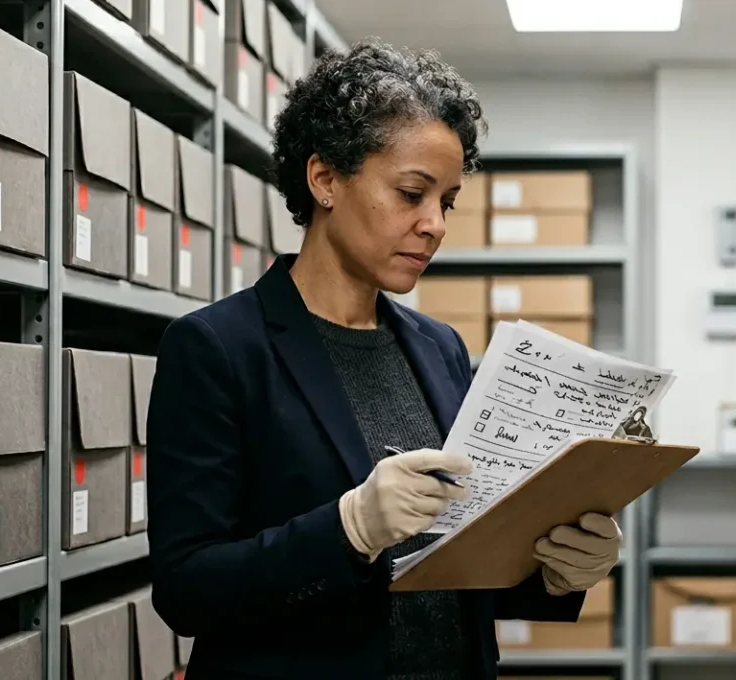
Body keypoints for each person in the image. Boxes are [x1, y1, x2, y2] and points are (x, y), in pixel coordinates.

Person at [146, 39, 620, 680]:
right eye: (411, 193)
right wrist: (350, 528)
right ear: (324, 180)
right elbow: (186, 589)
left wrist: (559, 571)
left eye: (446, 201)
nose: (435, 224)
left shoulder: (439, 347)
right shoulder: (216, 349)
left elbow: (455, 568)